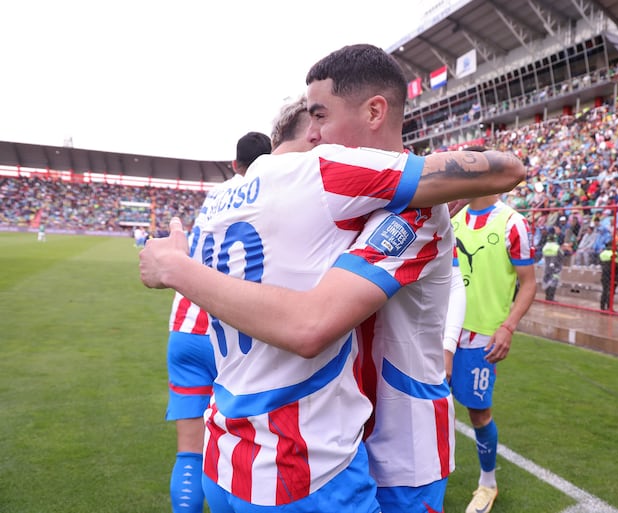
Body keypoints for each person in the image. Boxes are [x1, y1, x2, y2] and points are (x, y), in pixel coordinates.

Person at [140, 44, 527, 513]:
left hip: (401, 444)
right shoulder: (349, 201)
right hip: (346, 434)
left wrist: (180, 271)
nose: (314, 135)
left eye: (321, 116)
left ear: (374, 111)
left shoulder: (414, 208)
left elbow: (312, 324)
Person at [164, 131, 271, 513]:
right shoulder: (273, 192)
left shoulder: (216, 195)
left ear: (233, 164)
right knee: (240, 452)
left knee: (190, 453)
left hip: (185, 327)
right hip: (234, 333)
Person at [445, 190, 536, 513]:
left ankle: (488, 484)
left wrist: (508, 326)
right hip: (442, 333)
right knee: (432, 407)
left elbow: (528, 282)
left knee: (478, 412)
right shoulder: (451, 218)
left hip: (481, 337)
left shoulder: (513, 223)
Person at [599, 240, 618, 310]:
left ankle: (602, 307)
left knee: (605, 291)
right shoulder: (614, 254)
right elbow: (617, 265)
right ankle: (609, 307)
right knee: (611, 292)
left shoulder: (602, 253)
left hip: (604, 274)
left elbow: (600, 263)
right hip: (613, 275)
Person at [541, 232, 563, 301]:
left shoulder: (545, 247)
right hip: (555, 267)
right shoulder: (556, 247)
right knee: (554, 282)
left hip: (547, 267)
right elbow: (561, 255)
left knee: (547, 281)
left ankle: (547, 297)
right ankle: (551, 298)